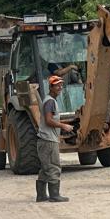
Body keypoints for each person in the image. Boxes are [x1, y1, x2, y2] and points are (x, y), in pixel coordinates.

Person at [36, 75, 72, 203]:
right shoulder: (50, 101)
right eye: (57, 85)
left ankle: (41, 195)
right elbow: (49, 120)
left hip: (45, 140)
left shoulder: (49, 100)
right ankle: (54, 195)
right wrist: (64, 126)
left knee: (46, 167)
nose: (60, 87)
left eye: (61, 85)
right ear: (51, 87)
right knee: (54, 167)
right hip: (49, 141)